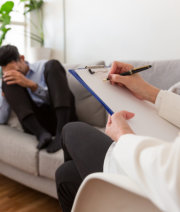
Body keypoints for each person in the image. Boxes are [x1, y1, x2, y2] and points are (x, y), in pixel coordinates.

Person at [55, 61, 180, 212]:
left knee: (71, 130)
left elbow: (172, 176)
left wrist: (124, 137)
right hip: (159, 156)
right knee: (65, 175)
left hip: (155, 187)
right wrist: (151, 92)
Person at [0, 45, 77, 153]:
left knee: (53, 64)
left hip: (63, 119)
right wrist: (3, 94)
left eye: (17, 70)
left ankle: (61, 133)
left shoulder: (44, 68)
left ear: (22, 59)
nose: (15, 74)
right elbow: (0, 119)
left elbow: (56, 98)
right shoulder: (6, 79)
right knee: (8, 82)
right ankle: (41, 134)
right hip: (39, 125)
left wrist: (32, 85)